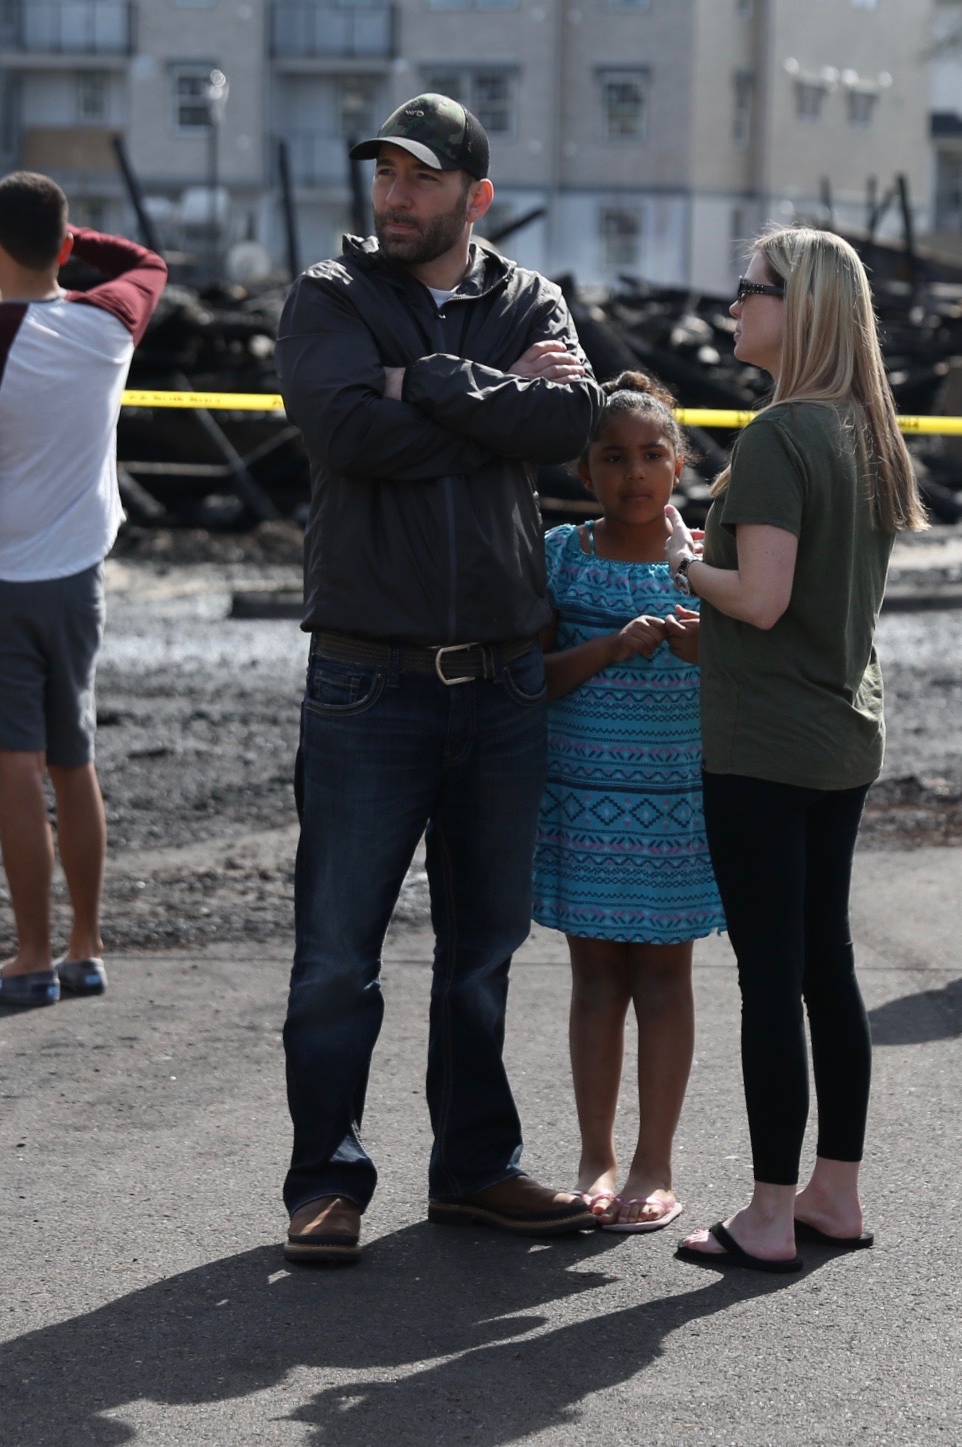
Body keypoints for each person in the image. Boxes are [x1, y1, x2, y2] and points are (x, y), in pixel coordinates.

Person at [272, 93, 604, 1265]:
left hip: (505, 682)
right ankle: (326, 1180)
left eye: (420, 178)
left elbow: (571, 422)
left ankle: (473, 1167)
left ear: (476, 192)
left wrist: (430, 382)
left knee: (481, 947)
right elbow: (345, 433)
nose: (394, 197)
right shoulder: (327, 296)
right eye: (383, 175)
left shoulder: (532, 298)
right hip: (371, 681)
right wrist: (485, 396)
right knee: (335, 956)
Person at [663, 227, 923, 1274]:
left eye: (747, 290)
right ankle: (834, 1192)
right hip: (839, 730)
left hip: (766, 742)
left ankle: (769, 1212)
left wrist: (690, 566)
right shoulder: (866, 429)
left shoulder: (776, 438)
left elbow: (761, 599)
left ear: (797, 306)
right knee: (826, 967)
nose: (731, 306)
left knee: (769, 978)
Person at [0, 172, 167, 1006]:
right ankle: (84, 945)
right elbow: (146, 262)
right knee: (75, 762)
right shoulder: (109, 323)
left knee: (17, 769)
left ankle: (30, 956)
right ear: (65, 246)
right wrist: (73, 238)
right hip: (77, 580)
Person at [534, 372, 721, 1235]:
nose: (634, 474)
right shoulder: (562, 553)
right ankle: (595, 1156)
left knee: (666, 976)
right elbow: (531, 680)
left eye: (651, 456)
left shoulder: (705, 559)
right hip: (583, 796)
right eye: (613, 458)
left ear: (678, 466)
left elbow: (749, 675)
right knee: (596, 977)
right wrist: (609, 648)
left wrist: (696, 654)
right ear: (584, 471)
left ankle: (656, 1162)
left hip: (678, 799)